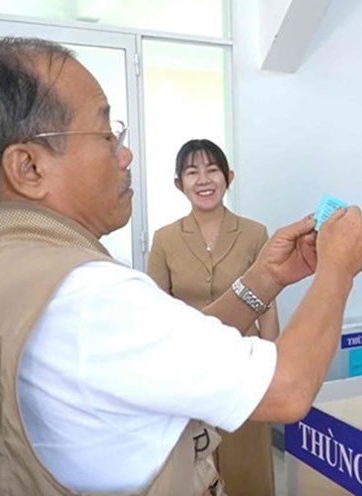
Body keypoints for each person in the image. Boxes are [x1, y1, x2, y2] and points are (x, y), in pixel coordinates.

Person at [0, 37, 362, 495]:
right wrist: (337, 267)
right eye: (106, 134)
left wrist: (265, 279)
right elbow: (288, 388)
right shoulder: (91, 296)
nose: (125, 154)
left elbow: (166, 346)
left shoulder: (3, 267)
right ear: (28, 168)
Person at [147, 138, 278, 495]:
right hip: (188, 368)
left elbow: (268, 301)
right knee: (192, 464)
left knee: (247, 459)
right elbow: (157, 310)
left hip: (243, 362)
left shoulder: (254, 233)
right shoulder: (164, 239)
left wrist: (271, 361)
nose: (203, 180)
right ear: (179, 183)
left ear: (228, 176)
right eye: (192, 172)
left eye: (212, 170)